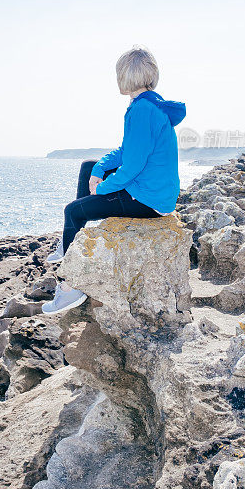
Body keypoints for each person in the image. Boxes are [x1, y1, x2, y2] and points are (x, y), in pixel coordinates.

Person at [42, 45, 186, 316]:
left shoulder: (142, 110)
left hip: (148, 199)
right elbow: (127, 151)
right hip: (152, 189)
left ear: (124, 76)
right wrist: (99, 168)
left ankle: (72, 288)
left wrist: (102, 189)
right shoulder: (149, 104)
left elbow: (132, 166)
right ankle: (69, 240)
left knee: (73, 210)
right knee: (87, 167)